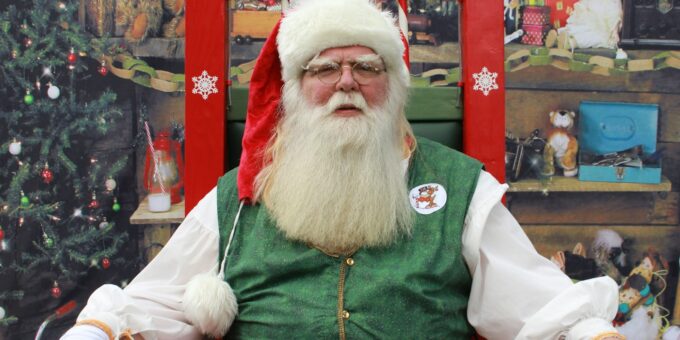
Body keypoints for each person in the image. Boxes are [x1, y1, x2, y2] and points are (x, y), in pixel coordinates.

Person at [62, 0, 625, 339]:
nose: (347, 82)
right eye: (325, 69)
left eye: (366, 66)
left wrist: (588, 329)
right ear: (296, 90)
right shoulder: (240, 198)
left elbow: (539, 302)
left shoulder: (459, 188)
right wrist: (99, 327)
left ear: (394, 86)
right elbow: (151, 304)